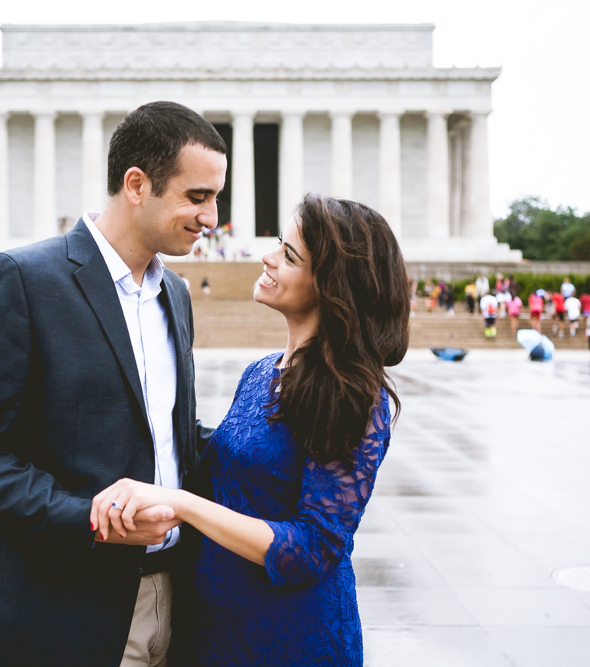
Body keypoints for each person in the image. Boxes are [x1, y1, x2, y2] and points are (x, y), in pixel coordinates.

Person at [0, 101, 227, 667]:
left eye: (215, 197)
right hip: (55, 612)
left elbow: (166, 431)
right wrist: (93, 521)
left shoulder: (176, 295)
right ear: (137, 185)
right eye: (198, 197)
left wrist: (275, 444)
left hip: (170, 599)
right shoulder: (21, 280)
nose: (212, 218)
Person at [91, 193, 409, 667]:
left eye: (289, 254)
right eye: (280, 243)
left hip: (290, 637)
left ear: (331, 286)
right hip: (216, 627)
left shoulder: (357, 396)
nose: (268, 255)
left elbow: (312, 549)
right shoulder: (262, 372)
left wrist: (183, 504)